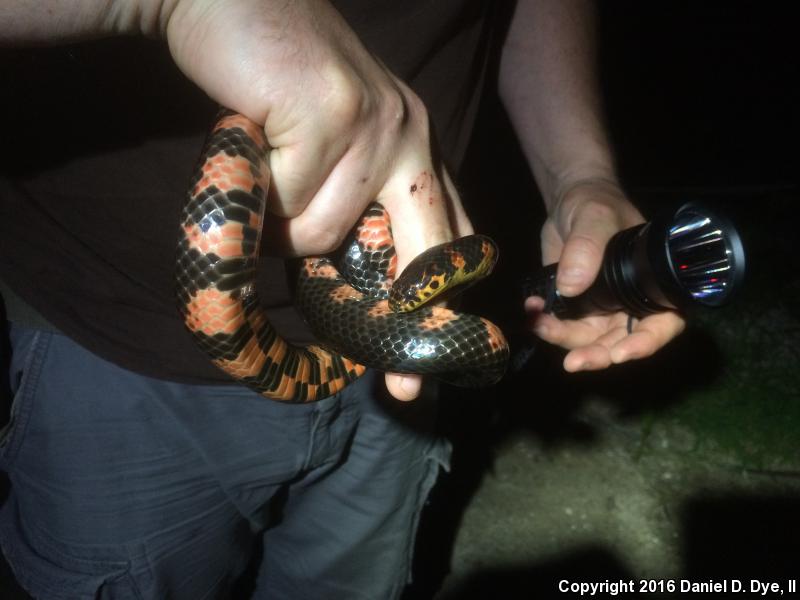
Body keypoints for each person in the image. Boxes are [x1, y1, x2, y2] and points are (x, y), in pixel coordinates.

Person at [0, 0, 685, 598]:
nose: (417, 300)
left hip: (385, 382)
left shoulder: (426, 292)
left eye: (423, 297)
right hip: (110, 337)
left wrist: (580, 173)